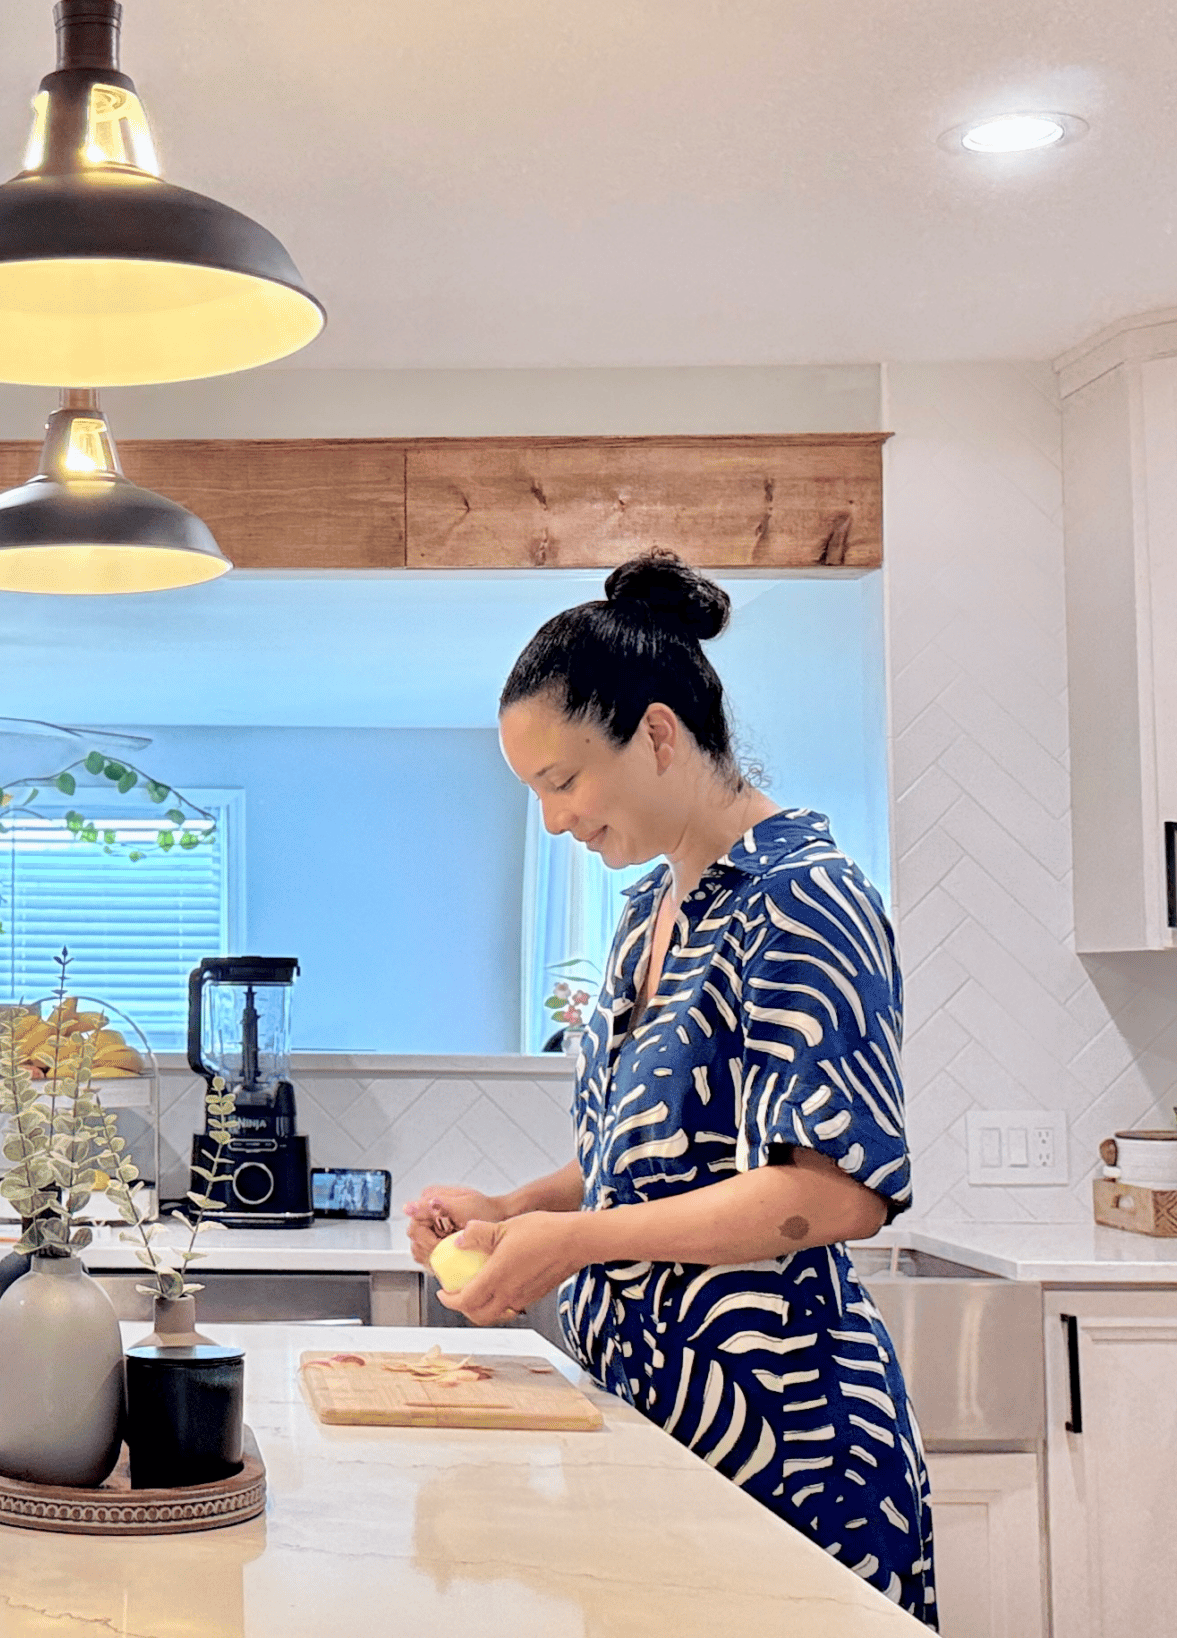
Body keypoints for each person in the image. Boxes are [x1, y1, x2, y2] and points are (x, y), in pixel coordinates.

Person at [403, 550, 935, 1626]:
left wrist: (575, 1243)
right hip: (652, 1424)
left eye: (563, 782)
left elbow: (834, 1193)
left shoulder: (804, 900)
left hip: (787, 1446)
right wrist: (513, 1210)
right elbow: (639, 1157)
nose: (553, 820)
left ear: (656, 734)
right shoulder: (650, 914)